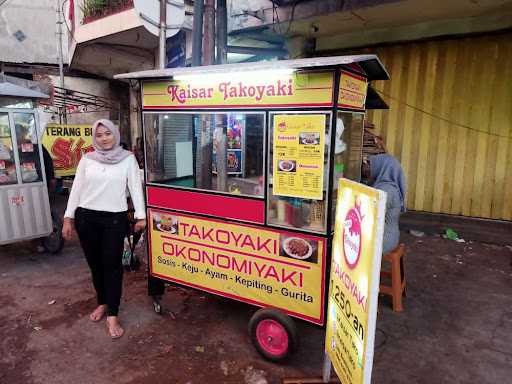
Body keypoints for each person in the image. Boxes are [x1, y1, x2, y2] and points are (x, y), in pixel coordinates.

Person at [62, 119, 146, 339]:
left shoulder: (128, 159)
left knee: (112, 267)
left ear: (115, 134)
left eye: (107, 133)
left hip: (114, 219)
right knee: (96, 265)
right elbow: (77, 190)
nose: (103, 138)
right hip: (86, 218)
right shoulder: (87, 159)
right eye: (98, 135)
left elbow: (135, 188)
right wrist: (68, 218)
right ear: (94, 138)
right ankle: (102, 303)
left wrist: (141, 216)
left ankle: (113, 314)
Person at [362, 154, 406, 255]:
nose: (368, 169)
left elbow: (370, 216)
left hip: (384, 240)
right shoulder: (385, 186)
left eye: (372, 166)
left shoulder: (386, 190)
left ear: (382, 167)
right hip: (388, 236)